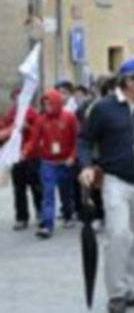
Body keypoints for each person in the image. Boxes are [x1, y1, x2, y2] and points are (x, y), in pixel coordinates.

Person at [78, 58, 134, 313]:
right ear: (129, 81)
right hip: (116, 180)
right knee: (118, 235)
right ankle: (116, 292)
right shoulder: (102, 108)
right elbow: (84, 140)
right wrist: (85, 166)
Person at [25, 89, 80, 239]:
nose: (47, 106)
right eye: (45, 103)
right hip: (48, 162)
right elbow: (34, 140)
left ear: (56, 103)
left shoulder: (70, 118)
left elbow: (77, 140)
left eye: (50, 103)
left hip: (65, 162)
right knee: (48, 194)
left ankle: (68, 215)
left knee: (66, 193)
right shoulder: (41, 120)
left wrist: (72, 157)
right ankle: (47, 225)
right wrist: (24, 153)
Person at [0, 87, 42, 231]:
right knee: (19, 189)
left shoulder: (32, 113)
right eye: (15, 98)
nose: (17, 100)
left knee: (36, 186)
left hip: (33, 156)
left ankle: (40, 212)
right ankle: (21, 218)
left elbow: (38, 133)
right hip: (16, 157)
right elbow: (3, 129)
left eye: (20, 97)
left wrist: (27, 127)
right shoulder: (11, 113)